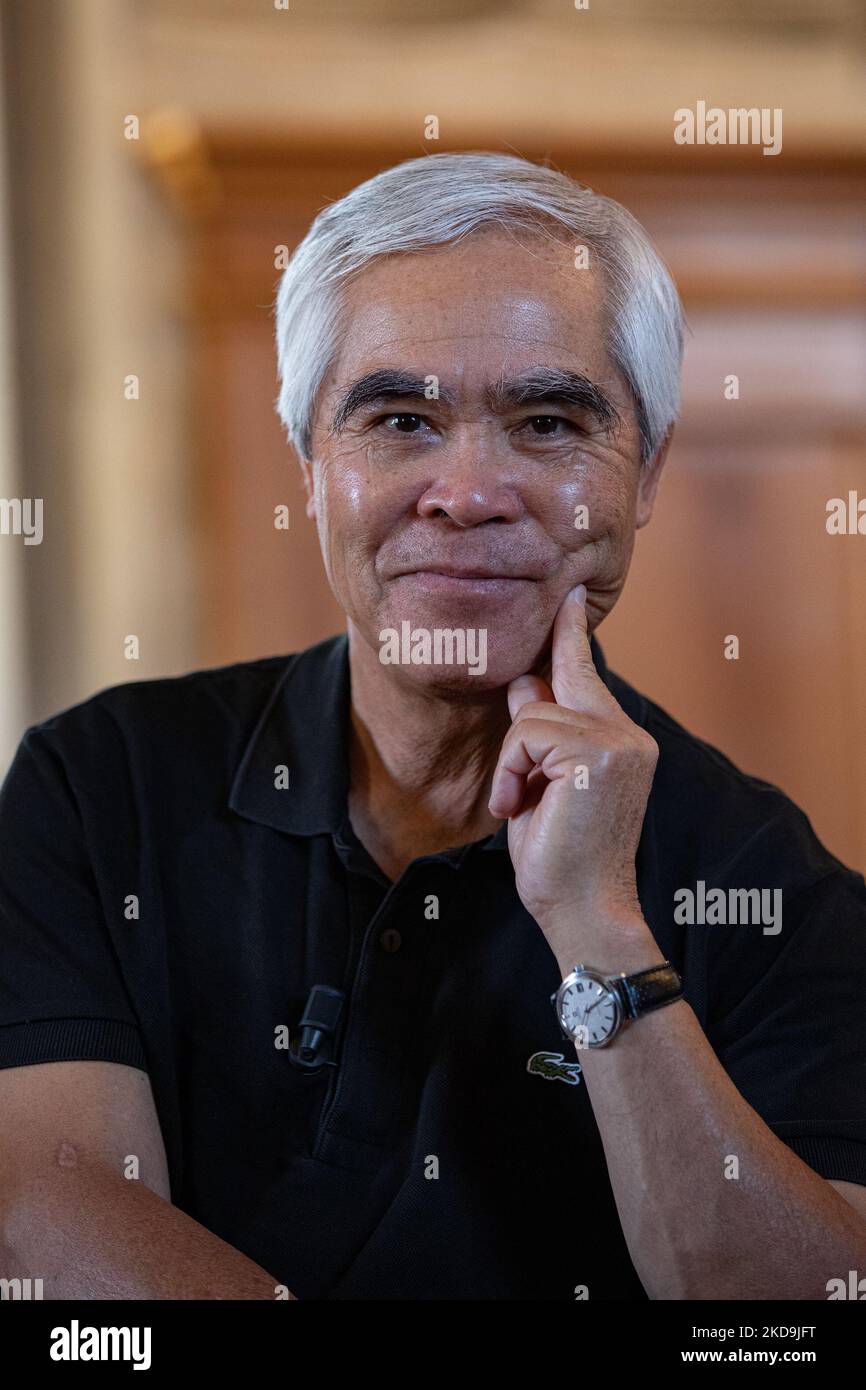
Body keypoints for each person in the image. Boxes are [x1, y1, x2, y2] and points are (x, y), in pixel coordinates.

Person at [2, 152, 865, 1301]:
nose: (466, 490)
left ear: (644, 472)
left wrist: (600, 930)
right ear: (311, 463)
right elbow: (43, 1213)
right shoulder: (97, 783)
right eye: (400, 418)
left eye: (549, 422)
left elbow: (796, 1323)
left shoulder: (772, 885)